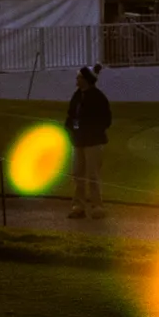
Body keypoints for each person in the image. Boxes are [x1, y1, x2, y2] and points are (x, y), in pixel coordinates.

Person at [65, 63, 111, 219]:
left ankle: (97, 206)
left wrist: (90, 129)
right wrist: (71, 127)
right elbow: (71, 115)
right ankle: (78, 206)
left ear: (85, 79)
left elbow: (106, 120)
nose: (76, 79)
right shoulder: (77, 95)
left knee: (92, 175)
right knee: (78, 174)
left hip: (93, 142)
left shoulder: (98, 97)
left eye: (79, 77)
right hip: (78, 141)